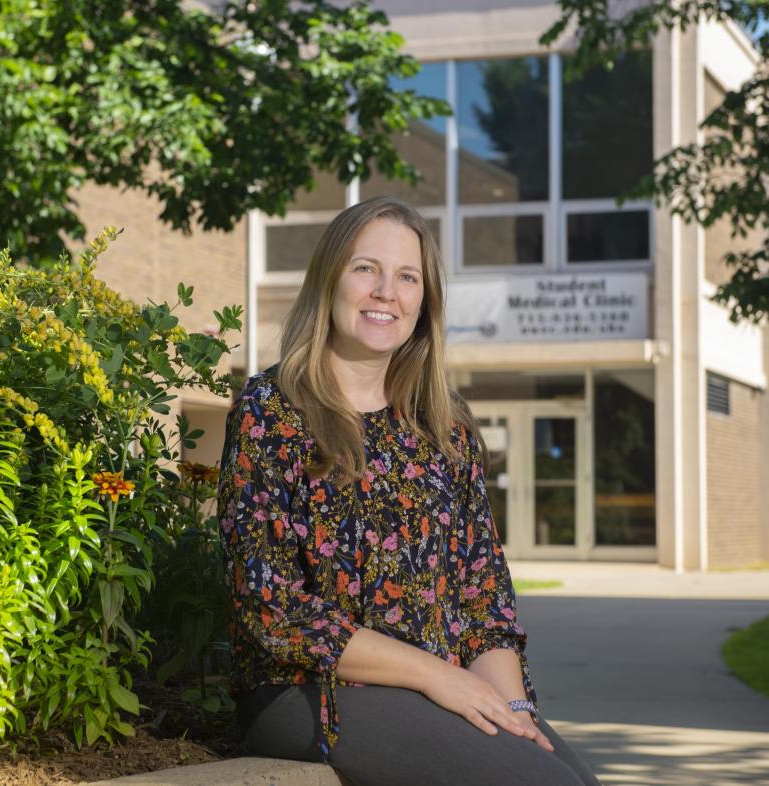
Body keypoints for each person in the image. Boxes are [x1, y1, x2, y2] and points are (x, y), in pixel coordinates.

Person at [217, 196, 603, 786]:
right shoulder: (271, 412)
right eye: (365, 268)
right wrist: (434, 674)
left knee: (570, 780)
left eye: (406, 277)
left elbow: (484, 596)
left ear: (424, 302)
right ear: (330, 280)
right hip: (307, 688)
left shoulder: (445, 426)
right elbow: (272, 607)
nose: (385, 292)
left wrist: (517, 712)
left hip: (441, 684)